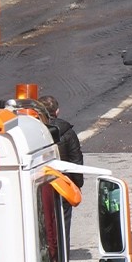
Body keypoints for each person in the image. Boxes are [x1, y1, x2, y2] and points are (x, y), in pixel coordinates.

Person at [40, 95, 84, 240]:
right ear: (57, 111)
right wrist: (77, 184)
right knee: (63, 223)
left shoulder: (35, 132)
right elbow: (75, 161)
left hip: (40, 185)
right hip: (63, 184)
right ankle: (62, 257)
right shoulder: (68, 133)